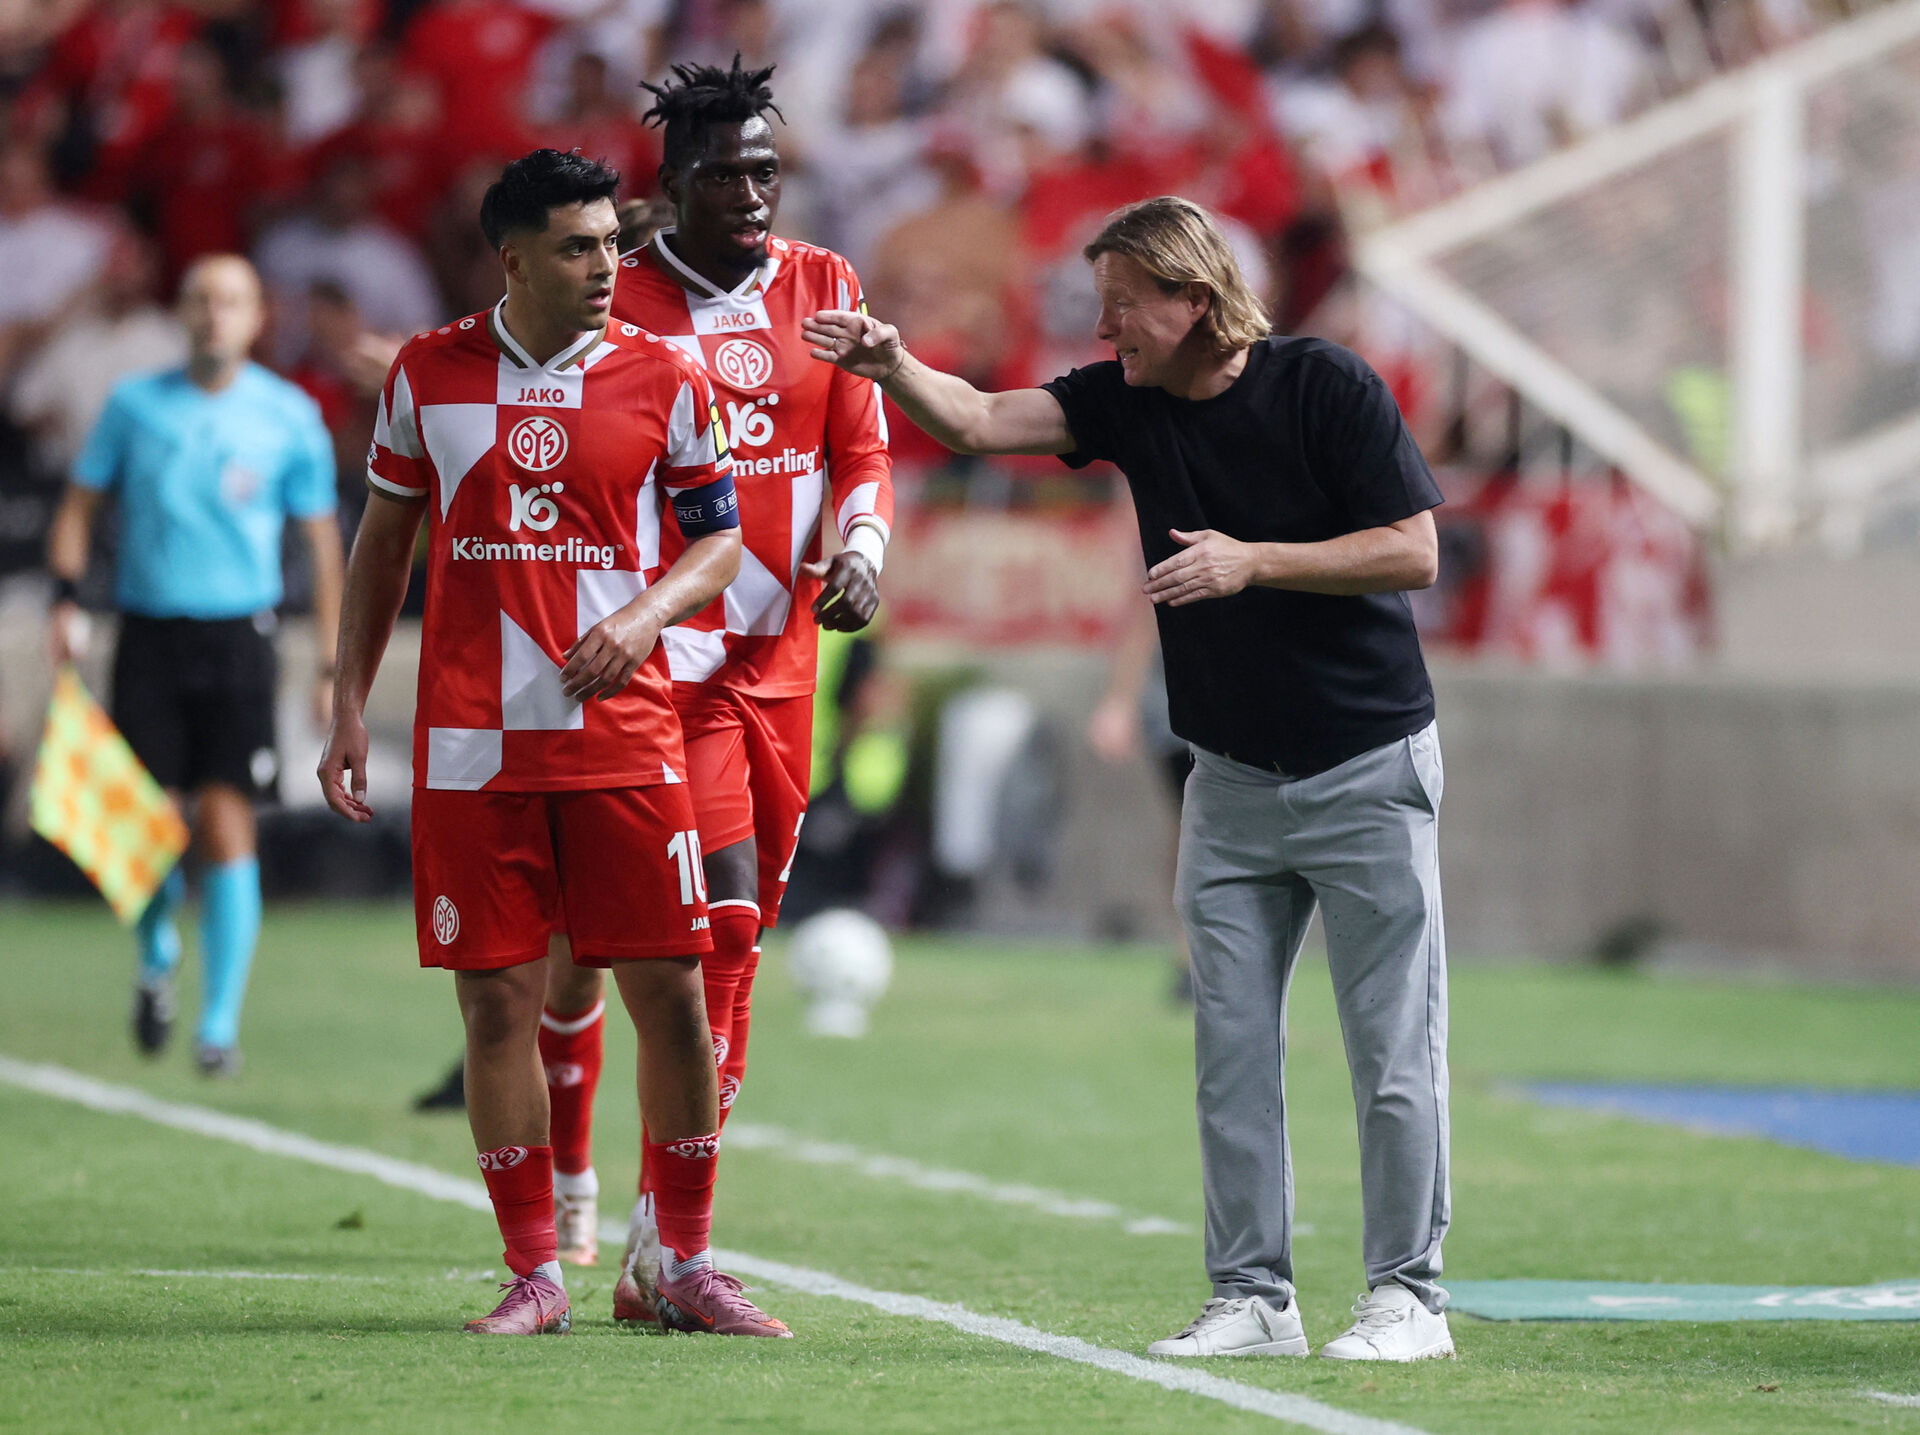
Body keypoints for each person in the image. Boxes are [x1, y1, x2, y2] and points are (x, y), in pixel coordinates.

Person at [805, 194, 1455, 1363]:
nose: (1107, 330)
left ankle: (1410, 1299)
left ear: (1191, 299)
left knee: (1391, 1046)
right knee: (1230, 1046)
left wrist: (1252, 561)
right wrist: (893, 363)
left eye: (1122, 306)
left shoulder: (1325, 385)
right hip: (1230, 783)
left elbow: (1413, 547)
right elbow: (979, 418)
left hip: (1364, 765)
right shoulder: (1123, 401)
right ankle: (1255, 1295)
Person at [317, 148, 787, 1339]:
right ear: (512, 257)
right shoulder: (429, 373)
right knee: (495, 1008)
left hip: (626, 733)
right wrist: (343, 703)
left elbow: (719, 545)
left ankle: (680, 1260)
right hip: (474, 740)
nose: (608, 266)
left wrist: (639, 618)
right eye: (580, 247)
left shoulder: (667, 374)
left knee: (673, 994)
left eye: (614, 244)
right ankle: (536, 1271)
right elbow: (384, 547)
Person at [529, 58, 892, 1321]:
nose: (751, 192)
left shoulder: (825, 285)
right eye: (723, 174)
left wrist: (862, 551)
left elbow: (860, 452)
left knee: (702, 939)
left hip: (778, 670)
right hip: (651, 673)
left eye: (764, 170)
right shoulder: (611, 299)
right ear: (669, 187)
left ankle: (648, 1240)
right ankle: (651, 1232)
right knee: (693, 936)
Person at [45, 254, 342, 1076]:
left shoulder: (287, 415)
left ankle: (217, 1026)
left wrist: (329, 660)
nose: (215, 314)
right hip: (147, 630)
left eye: (232, 301)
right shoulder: (136, 406)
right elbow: (77, 507)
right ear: (182, 312)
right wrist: (66, 599)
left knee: (226, 819)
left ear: (256, 318)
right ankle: (156, 957)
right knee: (147, 822)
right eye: (202, 298)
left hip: (240, 636)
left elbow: (321, 545)